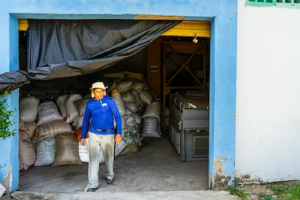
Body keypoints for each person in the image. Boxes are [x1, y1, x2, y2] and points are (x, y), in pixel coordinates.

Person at [80, 82, 122, 192]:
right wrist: (83, 136)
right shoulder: (90, 104)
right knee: (93, 158)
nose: (100, 94)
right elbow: (85, 121)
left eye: (101, 91)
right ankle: (93, 183)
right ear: (93, 92)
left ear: (104, 91)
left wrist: (118, 133)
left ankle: (110, 175)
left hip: (108, 133)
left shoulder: (110, 101)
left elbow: (118, 117)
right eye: (97, 92)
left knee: (109, 157)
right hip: (94, 133)